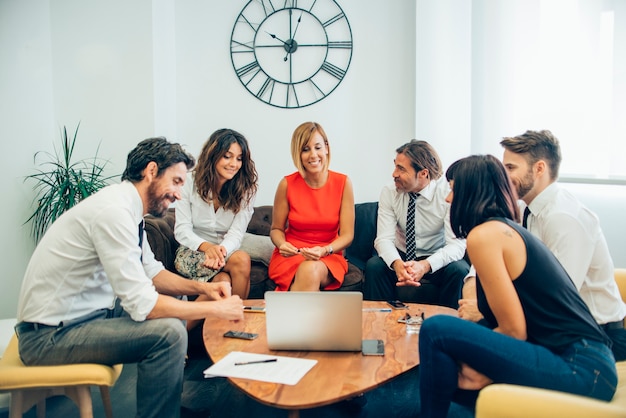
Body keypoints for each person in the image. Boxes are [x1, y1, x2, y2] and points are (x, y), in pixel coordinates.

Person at [15, 137, 244, 418]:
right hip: (48, 337)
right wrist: (215, 308)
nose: (179, 194)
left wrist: (204, 289)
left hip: (83, 319)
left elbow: (153, 273)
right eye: (176, 182)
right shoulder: (114, 212)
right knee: (169, 333)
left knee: (173, 310)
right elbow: (144, 305)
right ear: (151, 171)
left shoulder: (128, 210)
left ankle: (166, 409)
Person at [418, 154, 617, 417]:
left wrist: (481, 368)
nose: (448, 199)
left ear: (471, 191)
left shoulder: (486, 236)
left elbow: (514, 330)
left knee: (435, 329)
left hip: (582, 366)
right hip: (587, 362)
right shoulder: (506, 230)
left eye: (453, 189)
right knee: (457, 340)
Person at [460, 130, 626, 361]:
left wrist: (484, 309)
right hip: (549, 325)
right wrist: (474, 295)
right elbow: (481, 265)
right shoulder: (519, 210)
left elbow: (555, 299)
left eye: (510, 168)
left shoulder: (565, 218)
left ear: (539, 169)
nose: (504, 177)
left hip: (595, 337)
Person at [363, 140, 469, 309]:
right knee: (375, 266)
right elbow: (383, 239)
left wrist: (425, 265)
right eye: (395, 166)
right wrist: (397, 264)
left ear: (423, 173)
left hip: (435, 256)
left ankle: (448, 326)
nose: (394, 174)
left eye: (401, 169)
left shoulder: (447, 194)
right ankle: (378, 325)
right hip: (401, 255)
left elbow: (456, 244)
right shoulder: (389, 192)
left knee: (459, 270)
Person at [174, 128, 258, 306]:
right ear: (213, 155)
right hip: (193, 251)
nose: (234, 164)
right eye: (227, 156)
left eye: (239, 158)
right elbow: (181, 230)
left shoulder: (246, 189)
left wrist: (219, 251)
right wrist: (207, 247)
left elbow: (236, 234)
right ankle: (236, 321)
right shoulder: (189, 182)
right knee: (240, 261)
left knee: (223, 280)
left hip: (225, 252)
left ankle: (185, 329)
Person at [268, 121, 355, 291]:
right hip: (292, 255)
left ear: (326, 148)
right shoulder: (287, 184)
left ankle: (286, 314)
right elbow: (276, 229)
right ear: (298, 154)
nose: (313, 155)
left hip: (328, 254)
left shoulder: (343, 183)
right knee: (307, 269)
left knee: (310, 269)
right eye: (305, 149)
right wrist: (281, 244)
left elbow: (347, 236)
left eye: (317, 147)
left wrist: (325, 250)